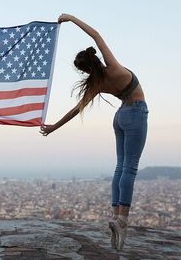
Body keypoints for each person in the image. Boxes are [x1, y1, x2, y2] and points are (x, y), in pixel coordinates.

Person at [40, 13, 149, 251]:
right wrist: (70, 18)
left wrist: (53, 127)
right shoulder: (113, 69)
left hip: (120, 118)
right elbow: (96, 34)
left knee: (120, 167)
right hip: (135, 112)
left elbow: (74, 110)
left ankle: (115, 214)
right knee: (129, 167)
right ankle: (122, 220)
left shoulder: (96, 83)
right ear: (95, 58)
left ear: (85, 71)